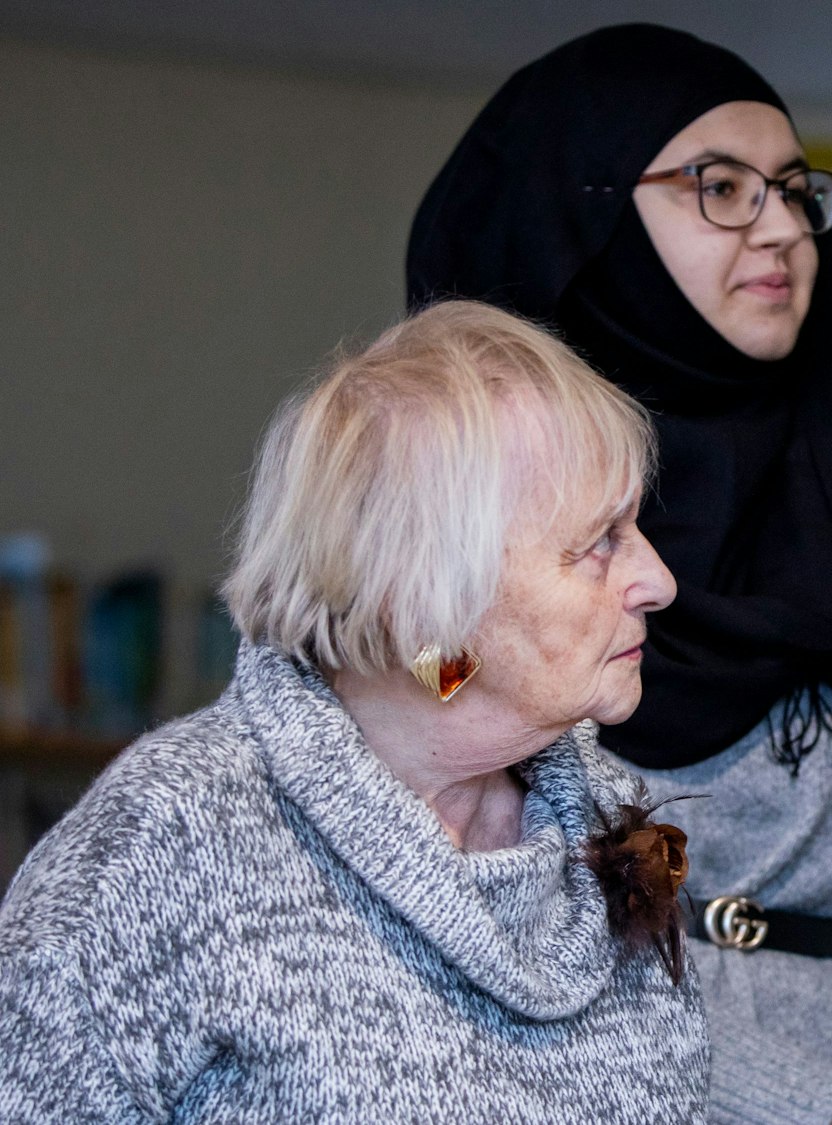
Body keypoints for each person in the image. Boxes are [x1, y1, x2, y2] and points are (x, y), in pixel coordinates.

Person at [407, 25, 832, 1125]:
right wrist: (811, 1109)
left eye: (793, 190)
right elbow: (459, 869)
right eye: (720, 186)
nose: (781, 225)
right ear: (581, 215)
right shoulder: (459, 552)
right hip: (559, 1088)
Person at [0, 301, 706, 1121]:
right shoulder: (174, 835)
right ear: (424, 604)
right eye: (599, 542)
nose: (659, 580)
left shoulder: (611, 826)